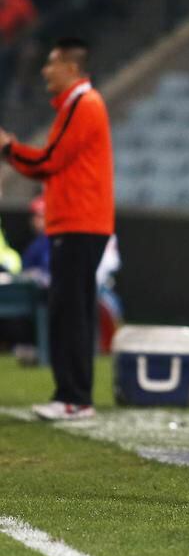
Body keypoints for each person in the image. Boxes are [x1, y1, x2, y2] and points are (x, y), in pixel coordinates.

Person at [0, 37, 114, 421]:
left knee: (71, 311)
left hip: (80, 223)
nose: (46, 71)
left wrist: (9, 149)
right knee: (70, 310)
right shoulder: (78, 103)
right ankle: (72, 395)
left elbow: (49, 160)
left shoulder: (83, 103)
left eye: (51, 63)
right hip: (78, 223)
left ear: (70, 67)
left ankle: (75, 397)